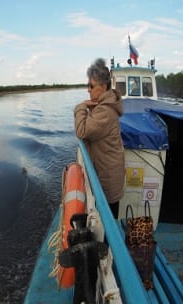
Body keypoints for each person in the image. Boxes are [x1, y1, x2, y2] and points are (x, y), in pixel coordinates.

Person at [74, 58, 125, 219]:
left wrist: (81, 107)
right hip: (107, 171)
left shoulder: (105, 111)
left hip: (108, 177)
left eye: (91, 86)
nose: (88, 90)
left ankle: (110, 243)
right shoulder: (103, 106)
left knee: (108, 218)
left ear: (103, 87)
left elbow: (82, 130)